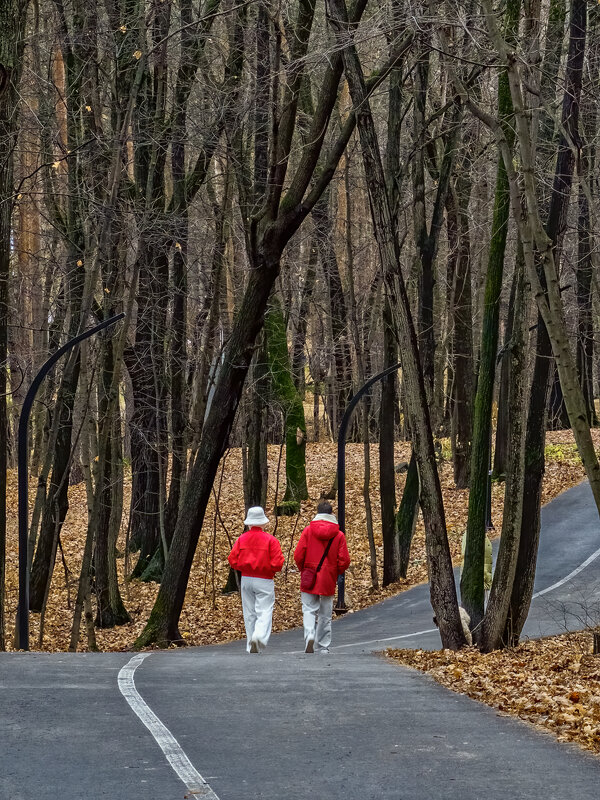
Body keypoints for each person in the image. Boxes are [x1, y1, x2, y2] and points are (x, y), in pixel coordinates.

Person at [294, 500, 351, 654]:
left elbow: (298, 555)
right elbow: (344, 560)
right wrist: (335, 571)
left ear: (318, 513)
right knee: (325, 613)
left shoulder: (308, 531)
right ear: (331, 513)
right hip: (327, 578)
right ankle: (323, 645)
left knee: (308, 609)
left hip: (309, 575)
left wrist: (304, 569)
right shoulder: (338, 535)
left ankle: (309, 637)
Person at [228, 506, 284, 653]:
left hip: (246, 579)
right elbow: (278, 563)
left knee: (249, 613)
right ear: (263, 523)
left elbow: (232, 559)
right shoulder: (271, 540)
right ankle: (258, 637)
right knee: (264, 610)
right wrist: (269, 569)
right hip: (265, 579)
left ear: (249, 523)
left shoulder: (242, 539)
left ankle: (251, 644)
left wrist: (243, 567)